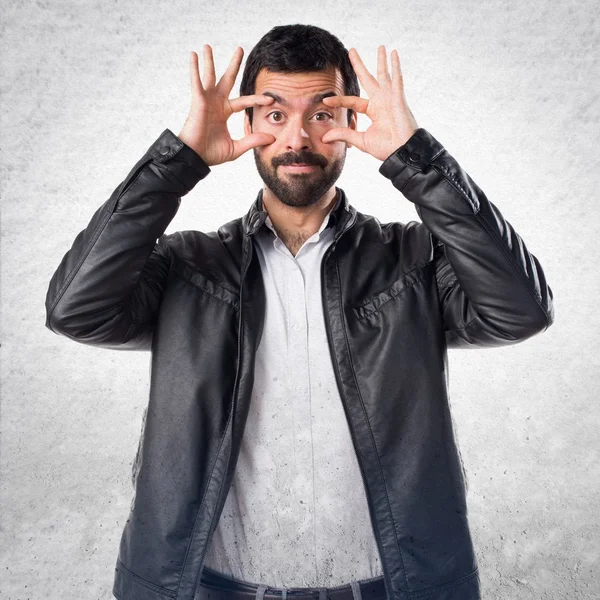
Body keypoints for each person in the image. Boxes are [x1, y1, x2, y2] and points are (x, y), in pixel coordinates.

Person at [44, 24, 554, 600]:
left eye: (321, 113)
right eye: (275, 114)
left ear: (352, 125)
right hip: (203, 587)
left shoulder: (412, 262)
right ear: (247, 126)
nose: (297, 140)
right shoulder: (189, 266)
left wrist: (415, 158)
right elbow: (74, 310)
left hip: (392, 587)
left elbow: (522, 310)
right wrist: (178, 162)